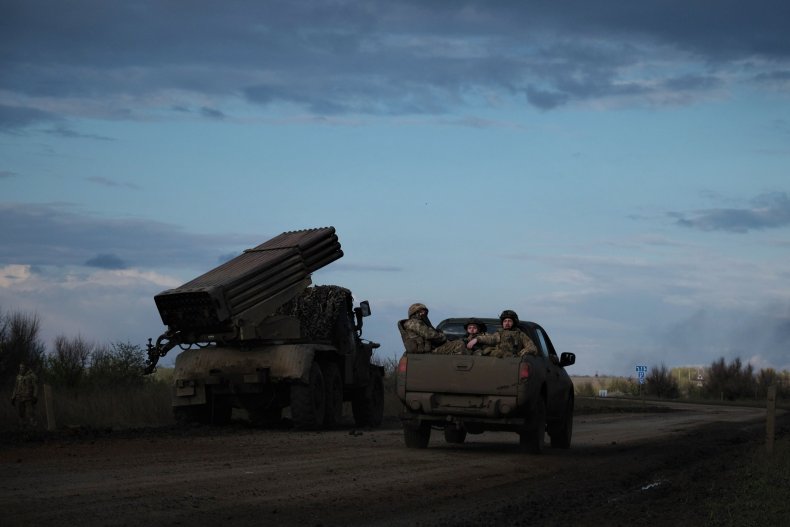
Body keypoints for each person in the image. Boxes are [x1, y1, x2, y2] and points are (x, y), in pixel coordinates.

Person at [467, 310, 538, 358]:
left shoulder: (520, 334)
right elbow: (492, 338)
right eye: (505, 321)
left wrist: (519, 355)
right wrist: (477, 339)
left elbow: (532, 348)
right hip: (498, 360)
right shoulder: (499, 333)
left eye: (509, 321)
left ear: (514, 322)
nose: (507, 323)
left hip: (513, 362)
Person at [11, 363, 38, 428]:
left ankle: (33, 426)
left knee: (30, 413)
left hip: (28, 397)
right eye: (20, 367)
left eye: (22, 367)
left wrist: (35, 396)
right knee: (21, 413)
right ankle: (23, 427)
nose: (21, 369)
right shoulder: (18, 377)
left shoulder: (31, 376)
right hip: (19, 397)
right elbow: (15, 387)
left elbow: (35, 386)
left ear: (26, 368)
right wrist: (13, 397)